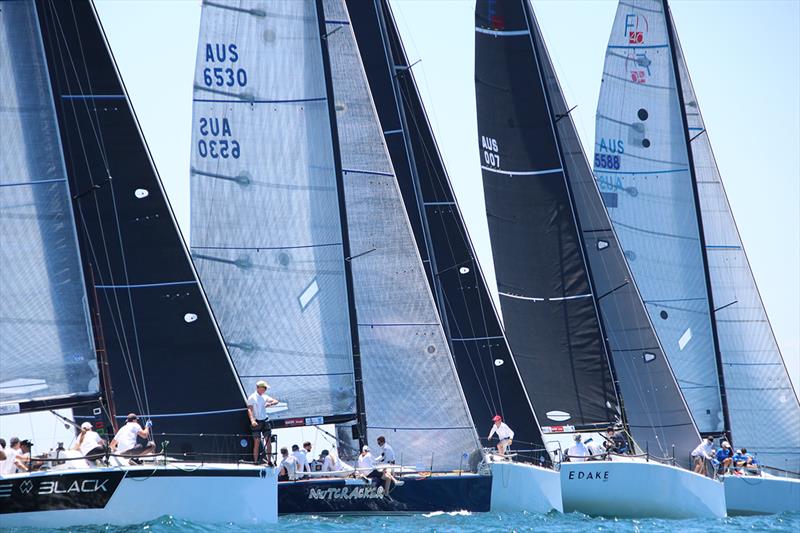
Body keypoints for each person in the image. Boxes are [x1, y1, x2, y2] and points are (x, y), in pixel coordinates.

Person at [246, 380, 278, 465]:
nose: (265, 389)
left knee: (268, 440)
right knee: (257, 441)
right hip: (256, 421)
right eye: (264, 388)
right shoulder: (252, 397)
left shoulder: (265, 396)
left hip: (265, 420)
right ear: (258, 388)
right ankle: (256, 461)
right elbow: (249, 409)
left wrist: (270, 404)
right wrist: (252, 420)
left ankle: (269, 461)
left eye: (266, 388)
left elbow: (276, 401)